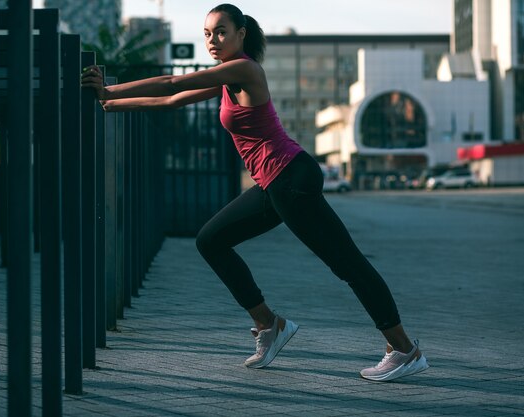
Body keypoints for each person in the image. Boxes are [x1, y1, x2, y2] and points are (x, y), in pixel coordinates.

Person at [81, 3, 429, 381]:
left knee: (347, 264)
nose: (213, 41)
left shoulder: (244, 68)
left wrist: (109, 86)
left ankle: (404, 349)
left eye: (221, 32)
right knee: (211, 240)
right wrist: (109, 103)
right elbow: (171, 101)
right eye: (207, 34)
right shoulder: (227, 79)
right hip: (273, 183)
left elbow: (172, 83)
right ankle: (269, 325)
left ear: (241, 33)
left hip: (290, 178)